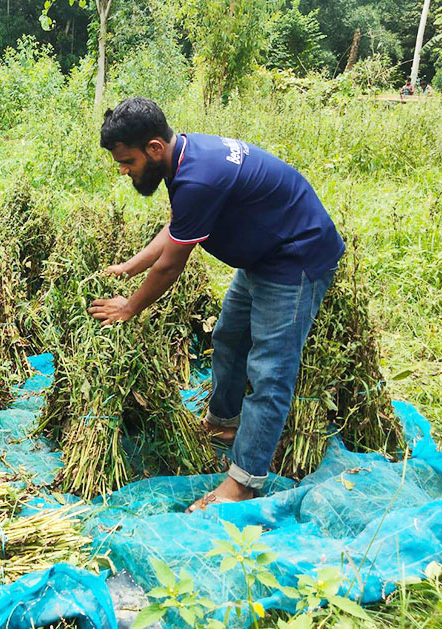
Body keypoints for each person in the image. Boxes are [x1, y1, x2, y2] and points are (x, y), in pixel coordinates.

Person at [89, 98, 345, 511]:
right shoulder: (185, 157)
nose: (123, 170)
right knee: (228, 336)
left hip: (295, 258)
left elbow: (171, 266)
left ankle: (244, 480)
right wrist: (129, 267)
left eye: (127, 160)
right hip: (263, 254)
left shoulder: (199, 177)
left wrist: (129, 307)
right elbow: (178, 227)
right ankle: (224, 423)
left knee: (271, 371)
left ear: (154, 148)